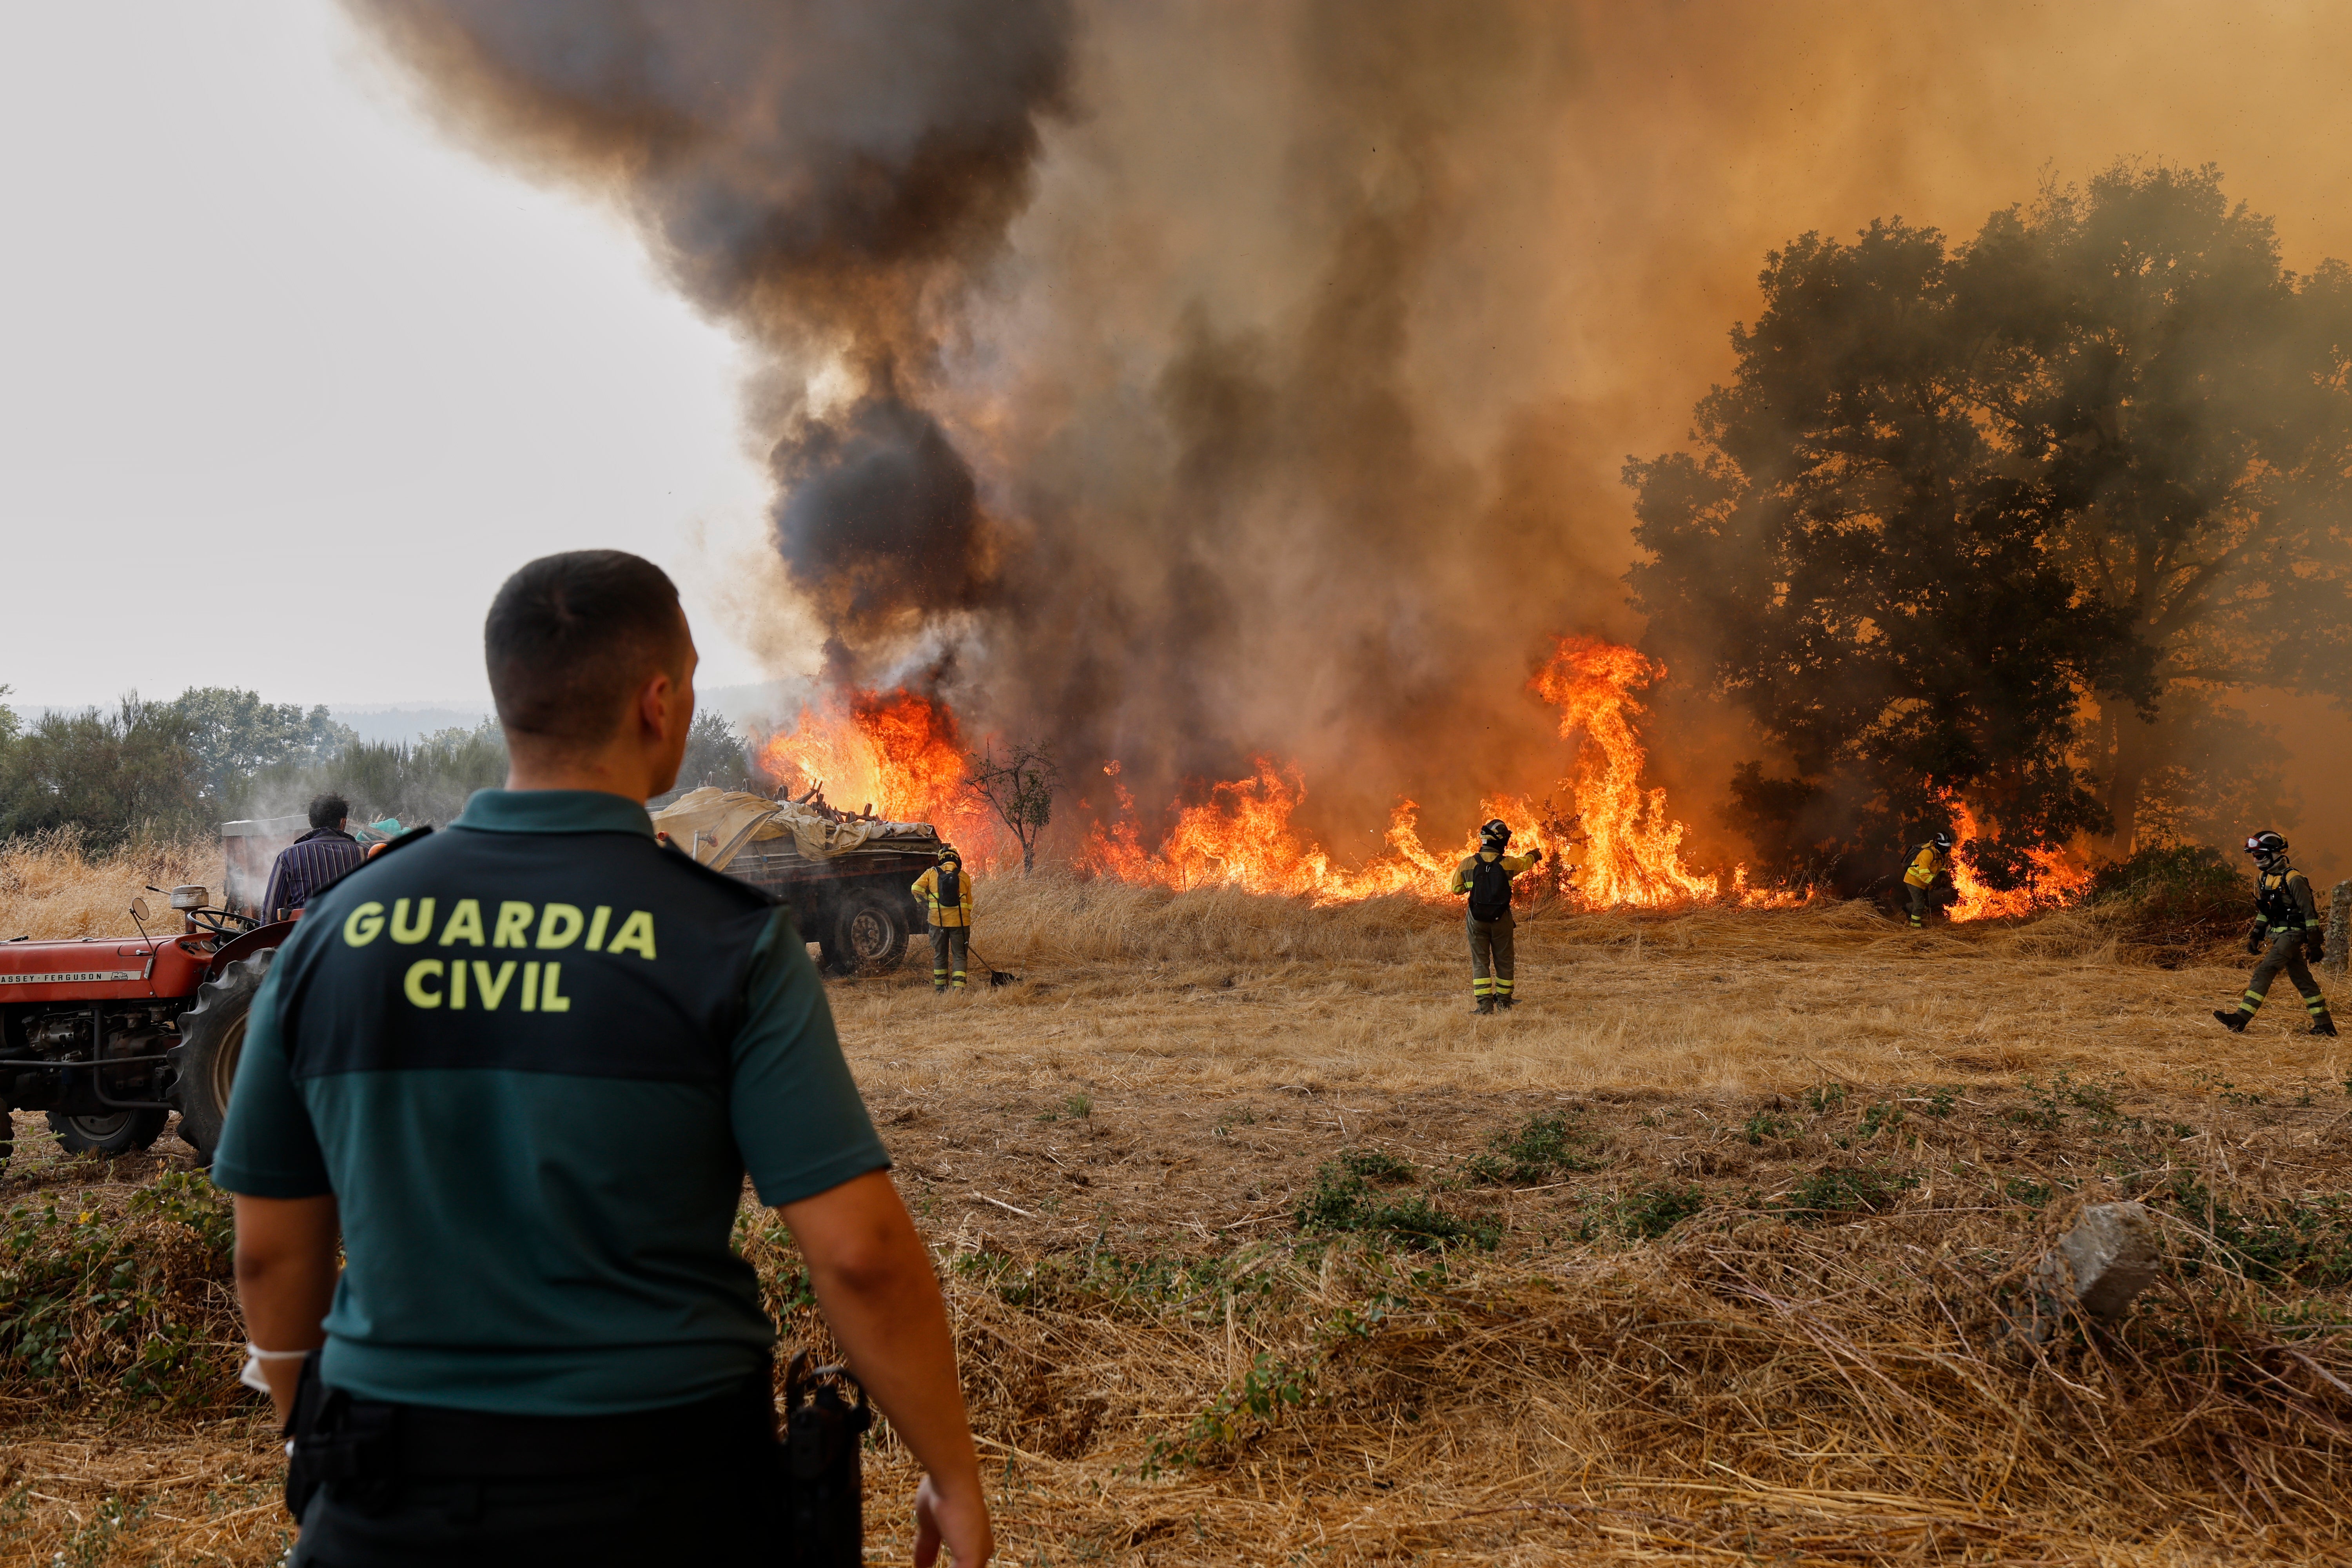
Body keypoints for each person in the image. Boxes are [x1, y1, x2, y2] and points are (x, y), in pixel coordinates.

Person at [211, 551, 991, 1566]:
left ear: (510, 704)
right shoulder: (730, 942)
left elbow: (268, 1254)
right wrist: (951, 1472)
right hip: (671, 1491)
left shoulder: (333, 934)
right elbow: (860, 1256)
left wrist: (313, 1436)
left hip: (390, 1489)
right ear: (657, 703)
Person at [2215, 829, 2336, 1036]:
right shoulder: (2265, 878)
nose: (2255, 860)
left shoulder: (2294, 879)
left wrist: (2315, 945)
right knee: (2302, 980)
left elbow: (2310, 914)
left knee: (2265, 970)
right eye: (2253, 855)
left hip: (2292, 935)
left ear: (2274, 854)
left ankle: (2241, 1018)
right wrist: (2256, 934)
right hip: (2278, 935)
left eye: (2259, 855)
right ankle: (2325, 1025)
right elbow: (2266, 911)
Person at [1449, 819, 1542, 1014]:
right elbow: (1525, 863)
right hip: (1502, 920)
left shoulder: (1467, 864)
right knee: (1504, 961)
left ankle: (1485, 1007)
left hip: (1477, 921)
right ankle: (1505, 1002)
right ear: (1501, 842)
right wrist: (1534, 855)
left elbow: (1456, 889)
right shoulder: (1509, 863)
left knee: (1480, 962)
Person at [260, 795, 367, 920]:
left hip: (308, 938)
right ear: (343, 822)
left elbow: (270, 915)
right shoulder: (366, 853)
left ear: (311, 821)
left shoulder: (288, 857)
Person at [910, 844, 975, 993]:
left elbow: (916, 889)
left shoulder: (931, 873)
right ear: (957, 861)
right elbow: (969, 905)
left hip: (937, 921)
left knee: (940, 955)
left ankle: (941, 990)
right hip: (960, 922)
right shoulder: (964, 876)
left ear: (941, 860)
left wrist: (927, 904)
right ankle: (958, 991)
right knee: (960, 956)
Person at [1902, 828, 1956, 929]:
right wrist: (1936, 882)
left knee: (1928, 903)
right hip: (1914, 881)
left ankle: (1909, 908)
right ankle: (1915, 929)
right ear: (1937, 845)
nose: (1947, 850)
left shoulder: (1943, 853)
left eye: (1948, 848)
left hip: (1926, 882)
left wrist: (1943, 876)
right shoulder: (1928, 854)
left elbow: (1943, 865)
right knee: (1919, 906)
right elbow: (1924, 874)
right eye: (1944, 847)